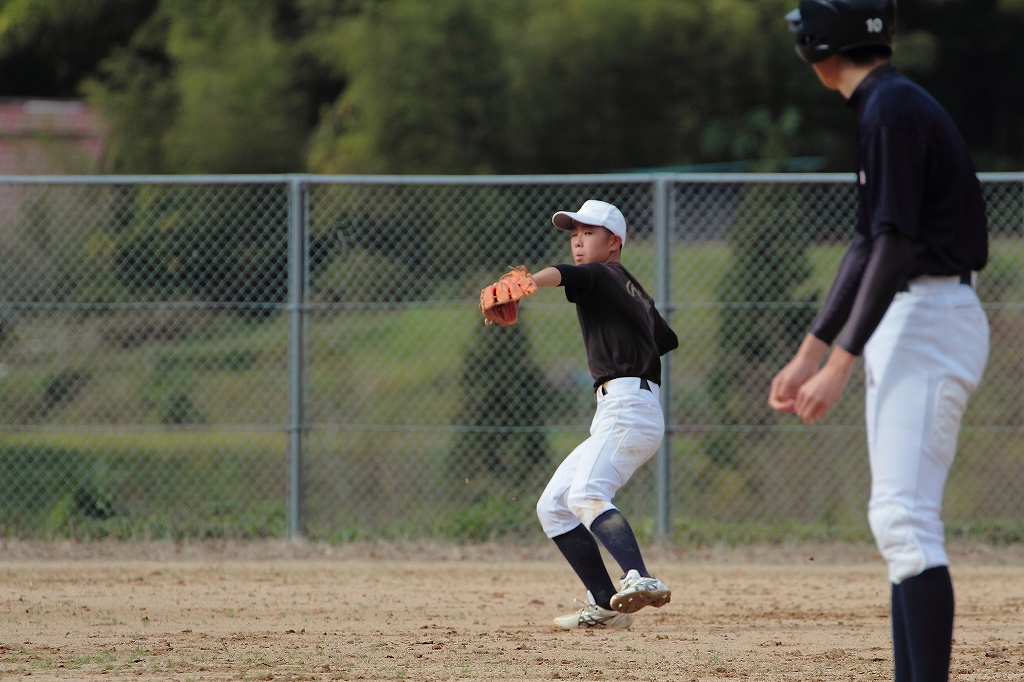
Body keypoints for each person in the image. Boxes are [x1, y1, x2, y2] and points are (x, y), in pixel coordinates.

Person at [771, 1, 989, 680]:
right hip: (917, 316)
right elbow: (867, 245)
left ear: (820, 50)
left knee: (904, 520)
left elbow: (893, 246)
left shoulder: (889, 111)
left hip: (928, 315)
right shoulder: (887, 105)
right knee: (899, 524)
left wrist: (838, 365)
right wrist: (809, 353)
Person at [483, 199, 678, 629]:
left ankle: (640, 576)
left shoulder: (602, 273)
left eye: (589, 234)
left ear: (614, 243)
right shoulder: (628, 287)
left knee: (586, 494)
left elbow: (567, 274)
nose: (578, 242)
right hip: (626, 406)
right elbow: (664, 337)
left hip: (627, 406)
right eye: (574, 235)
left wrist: (527, 283)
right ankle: (607, 605)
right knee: (553, 507)